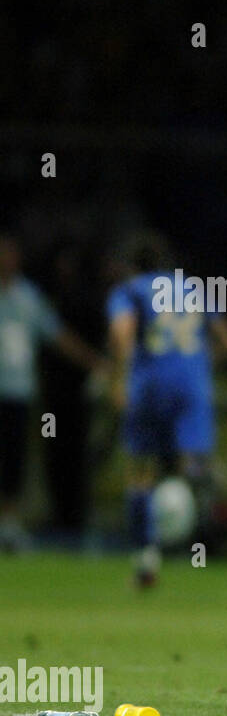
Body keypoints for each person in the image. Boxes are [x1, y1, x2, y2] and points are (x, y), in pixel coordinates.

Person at [106, 231, 227, 585]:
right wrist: (198, 366)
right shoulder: (190, 288)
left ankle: (147, 556)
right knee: (191, 467)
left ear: (130, 266)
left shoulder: (130, 290)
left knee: (141, 470)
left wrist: (118, 379)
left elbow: (122, 332)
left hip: (150, 386)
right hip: (191, 388)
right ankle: (201, 550)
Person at [0, 234, 106, 552]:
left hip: (17, 391)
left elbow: (56, 334)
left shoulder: (26, 296)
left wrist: (94, 362)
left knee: (12, 460)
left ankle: (8, 523)